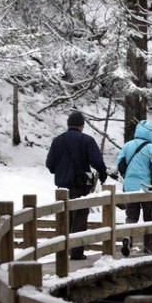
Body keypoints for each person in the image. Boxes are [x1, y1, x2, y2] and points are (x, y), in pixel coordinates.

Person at [46, 110, 108, 260]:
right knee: (80, 217)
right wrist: (103, 173)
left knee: (64, 218)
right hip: (80, 185)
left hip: (62, 187)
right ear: (82, 125)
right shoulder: (87, 140)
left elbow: (50, 165)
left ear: (68, 125)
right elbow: (96, 161)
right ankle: (76, 252)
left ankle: (62, 251)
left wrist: (59, 170)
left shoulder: (57, 140)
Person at [115, 120, 152, 256]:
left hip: (130, 188)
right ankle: (148, 249)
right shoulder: (151, 148)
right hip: (146, 188)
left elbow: (119, 163)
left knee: (131, 216)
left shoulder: (127, 146)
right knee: (148, 217)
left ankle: (127, 236)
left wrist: (127, 176)